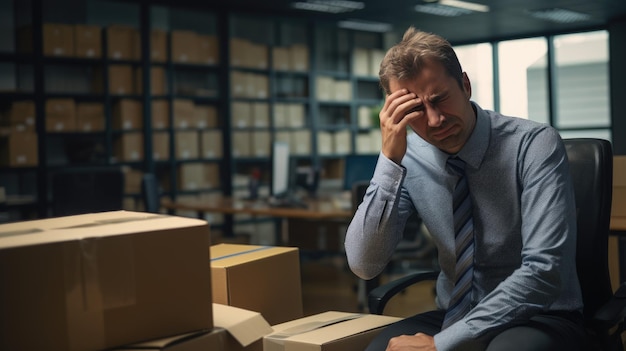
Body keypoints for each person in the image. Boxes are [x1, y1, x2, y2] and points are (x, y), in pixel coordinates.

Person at [344, 27, 588, 351]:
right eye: (415, 109)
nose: (433, 120)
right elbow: (364, 263)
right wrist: (389, 159)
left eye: (439, 99)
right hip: (454, 313)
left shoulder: (534, 145)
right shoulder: (409, 157)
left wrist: (442, 344)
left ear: (466, 85)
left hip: (539, 315)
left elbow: (543, 272)